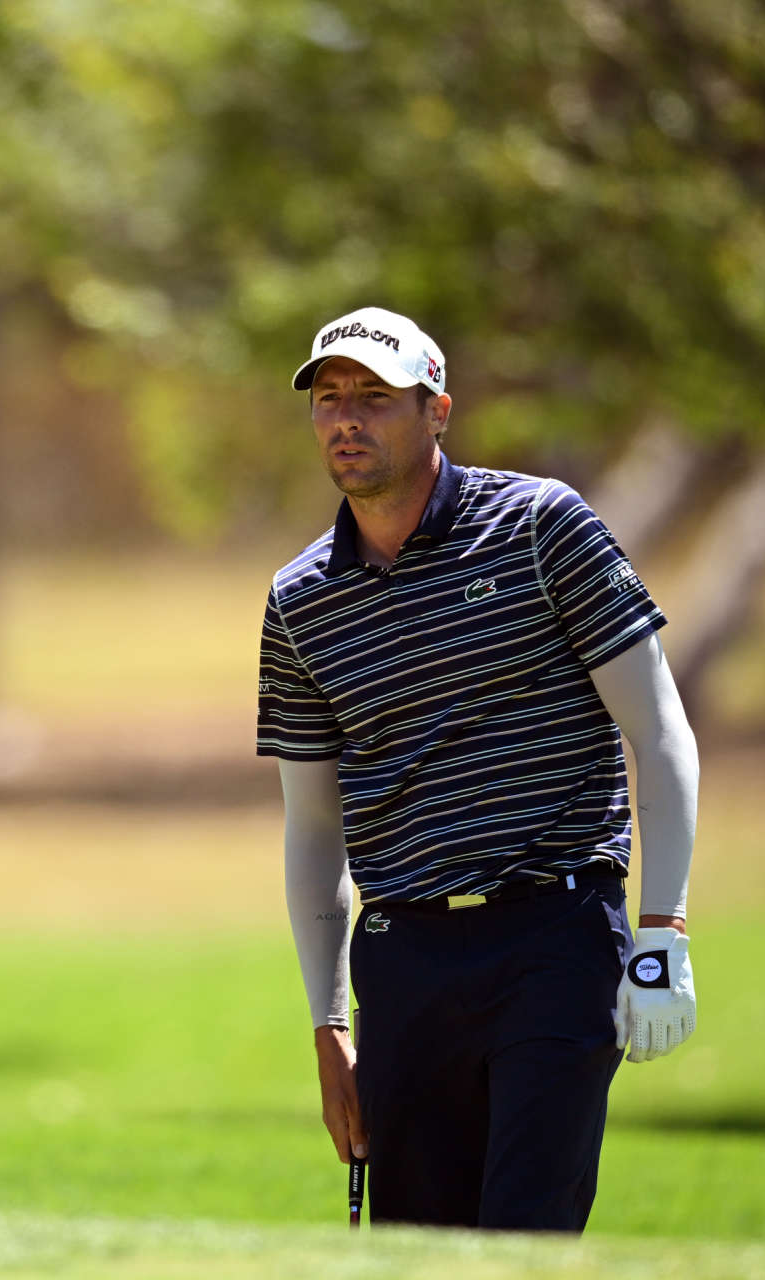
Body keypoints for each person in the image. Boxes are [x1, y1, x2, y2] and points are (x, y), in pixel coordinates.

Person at [256, 306, 700, 1232]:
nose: (346, 419)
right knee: (420, 1249)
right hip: (404, 961)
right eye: (329, 399)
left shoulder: (542, 526)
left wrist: (662, 931)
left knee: (525, 1238)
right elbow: (312, 828)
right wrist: (329, 1023)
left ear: (437, 412)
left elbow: (656, 727)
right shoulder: (300, 599)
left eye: (375, 399)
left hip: (555, 937)